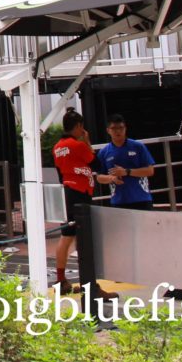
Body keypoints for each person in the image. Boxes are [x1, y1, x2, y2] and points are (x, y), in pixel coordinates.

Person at [52, 108, 96, 293]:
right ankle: (89, 282)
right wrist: (87, 142)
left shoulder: (57, 147)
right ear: (78, 126)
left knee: (67, 235)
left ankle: (61, 279)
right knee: (80, 237)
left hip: (67, 191)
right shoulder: (78, 145)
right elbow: (96, 163)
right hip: (80, 192)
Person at [94, 114, 156, 210]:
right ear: (108, 130)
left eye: (121, 128)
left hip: (141, 199)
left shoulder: (138, 147)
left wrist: (127, 171)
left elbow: (150, 171)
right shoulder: (104, 152)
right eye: (114, 128)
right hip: (118, 201)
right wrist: (112, 178)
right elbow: (99, 177)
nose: (118, 131)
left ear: (125, 129)